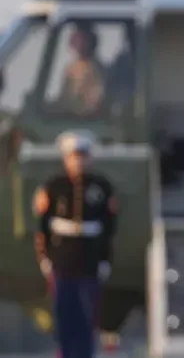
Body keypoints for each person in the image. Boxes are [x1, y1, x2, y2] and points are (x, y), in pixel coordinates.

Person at [33, 130, 119, 358]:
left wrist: (105, 260)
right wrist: (44, 256)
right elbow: (42, 225)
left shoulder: (101, 187)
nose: (79, 161)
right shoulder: (54, 186)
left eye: (83, 157)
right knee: (64, 314)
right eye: (74, 156)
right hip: (62, 259)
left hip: (89, 260)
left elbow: (109, 229)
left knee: (88, 315)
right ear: (66, 158)